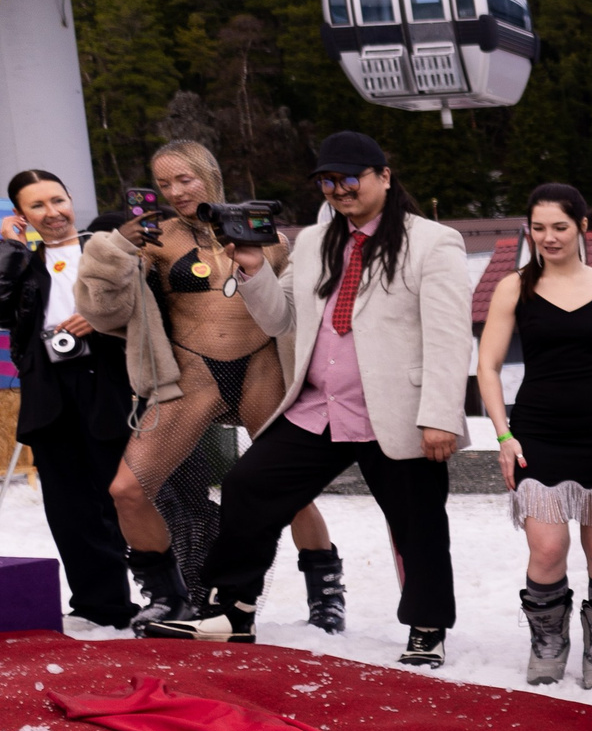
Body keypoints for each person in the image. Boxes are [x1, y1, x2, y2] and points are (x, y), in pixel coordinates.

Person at [144, 133, 472, 666]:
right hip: (319, 405)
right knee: (249, 486)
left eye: (349, 178)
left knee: (418, 521)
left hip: (396, 410)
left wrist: (439, 416)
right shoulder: (317, 241)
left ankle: (427, 624)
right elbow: (281, 317)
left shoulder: (433, 241)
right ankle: (233, 611)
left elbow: (450, 336)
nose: (339, 189)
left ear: (383, 176)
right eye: (327, 181)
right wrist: (251, 269)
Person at [77, 142, 343, 633]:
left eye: (185, 180)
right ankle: (166, 594)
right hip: (193, 373)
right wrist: (116, 246)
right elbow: (103, 311)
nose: (174, 192)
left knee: (289, 492)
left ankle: (325, 589)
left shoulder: (267, 234)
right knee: (128, 489)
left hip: (262, 367)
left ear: (210, 175)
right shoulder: (154, 239)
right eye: (163, 184)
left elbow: (300, 308)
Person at [474, 184, 592, 689]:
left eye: (560, 227)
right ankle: (548, 643)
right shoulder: (514, 287)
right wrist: (503, 436)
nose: (548, 237)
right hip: (537, 431)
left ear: (582, 228)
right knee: (547, 548)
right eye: (538, 227)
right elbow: (487, 365)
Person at [0, 170, 136, 626]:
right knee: (70, 504)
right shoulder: (23, 262)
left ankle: (170, 592)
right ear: (21, 216)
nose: (52, 212)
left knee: (129, 495)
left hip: (111, 381)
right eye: (37, 206)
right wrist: (10, 247)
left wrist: (99, 320)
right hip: (49, 390)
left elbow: (146, 303)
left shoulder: (107, 246)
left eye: (58, 199)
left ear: (71, 198)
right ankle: (101, 605)